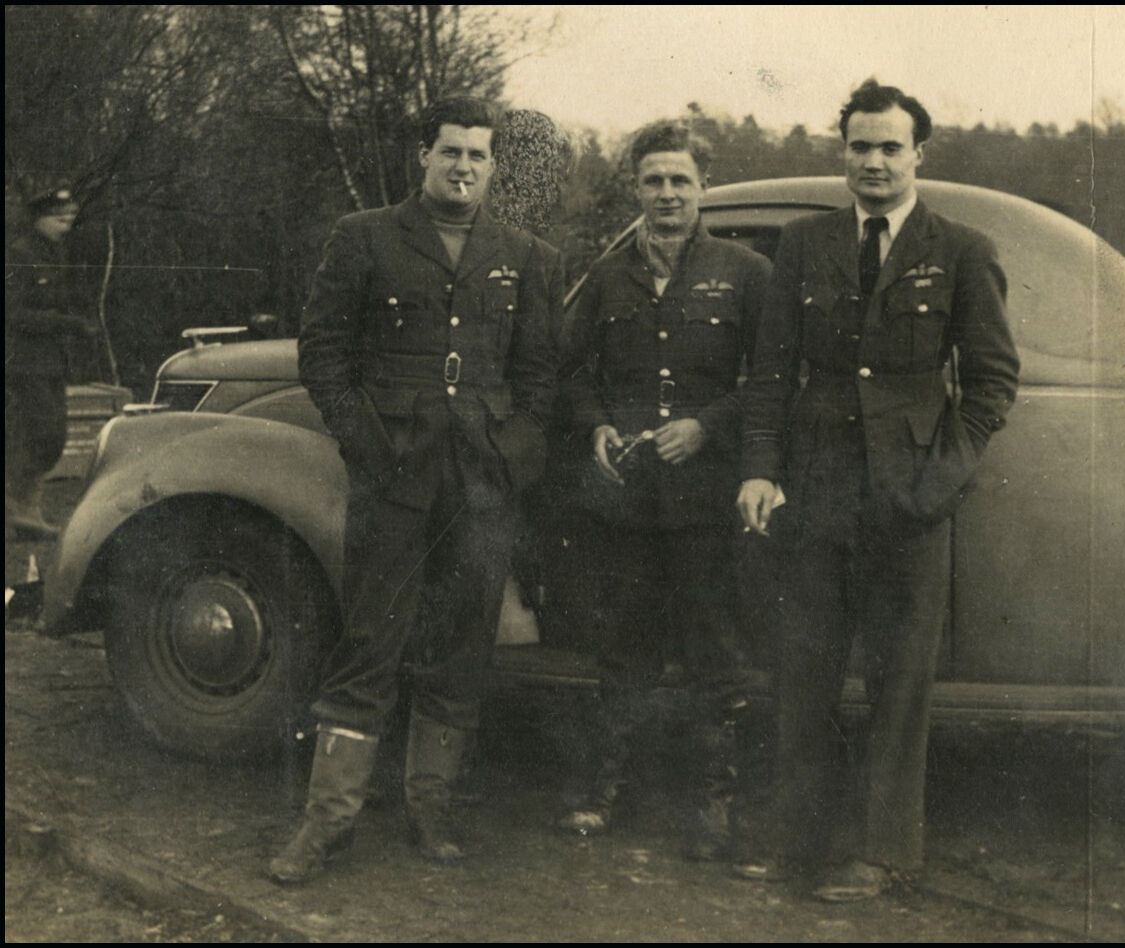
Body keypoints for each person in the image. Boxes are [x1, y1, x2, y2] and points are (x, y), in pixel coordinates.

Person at [736, 80, 1020, 901]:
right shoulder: (803, 245)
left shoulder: (961, 249)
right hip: (816, 488)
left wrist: (940, 477)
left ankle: (884, 851)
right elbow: (768, 371)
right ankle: (797, 840)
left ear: (917, 155)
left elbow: (992, 382)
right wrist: (759, 466)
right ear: (842, 153)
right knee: (806, 669)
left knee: (899, 680)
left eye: (889, 147)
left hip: (907, 497)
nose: (873, 161)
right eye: (859, 146)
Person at [270, 97, 559, 883]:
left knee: (463, 645)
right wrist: (369, 448)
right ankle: (327, 823)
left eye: (477, 155)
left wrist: (512, 457)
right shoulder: (363, 238)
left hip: (481, 485)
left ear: (494, 166)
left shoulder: (525, 254)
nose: (463, 166)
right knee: (369, 639)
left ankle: (430, 810)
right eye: (450, 152)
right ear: (422, 158)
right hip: (395, 475)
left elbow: (539, 379)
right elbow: (323, 355)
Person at [558, 121, 771, 860]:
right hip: (624, 499)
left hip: (704, 501)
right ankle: (600, 791)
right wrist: (593, 428)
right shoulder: (607, 275)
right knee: (621, 645)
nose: (667, 193)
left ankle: (713, 807)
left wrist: (707, 428)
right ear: (635, 189)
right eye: (653, 180)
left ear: (703, 186)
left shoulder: (744, 274)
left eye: (680, 179)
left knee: (715, 651)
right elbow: (572, 370)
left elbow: (772, 379)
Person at [5, 187, 92, 541]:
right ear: (39, 219)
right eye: (59, 218)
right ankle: (19, 506)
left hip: (51, 362)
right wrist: (67, 323)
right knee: (42, 434)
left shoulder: (57, 255)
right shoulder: (19, 256)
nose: (66, 224)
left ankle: (24, 512)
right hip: (23, 362)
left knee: (51, 437)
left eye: (70, 217)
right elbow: (13, 314)